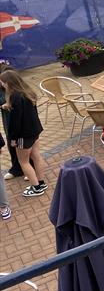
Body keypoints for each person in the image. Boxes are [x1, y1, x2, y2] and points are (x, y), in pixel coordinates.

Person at [0, 69, 46, 197]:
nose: (2, 85)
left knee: (23, 161)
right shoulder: (28, 92)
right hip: (35, 131)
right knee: (37, 156)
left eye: (2, 83)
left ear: (8, 83)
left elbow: (15, 122)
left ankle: (36, 187)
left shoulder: (14, 97)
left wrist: (12, 138)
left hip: (23, 135)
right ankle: (41, 182)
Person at [0, 60, 35, 182]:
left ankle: (29, 168)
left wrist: (8, 103)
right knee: (12, 142)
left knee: (24, 145)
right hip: (8, 119)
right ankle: (16, 168)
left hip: (22, 123)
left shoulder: (16, 87)